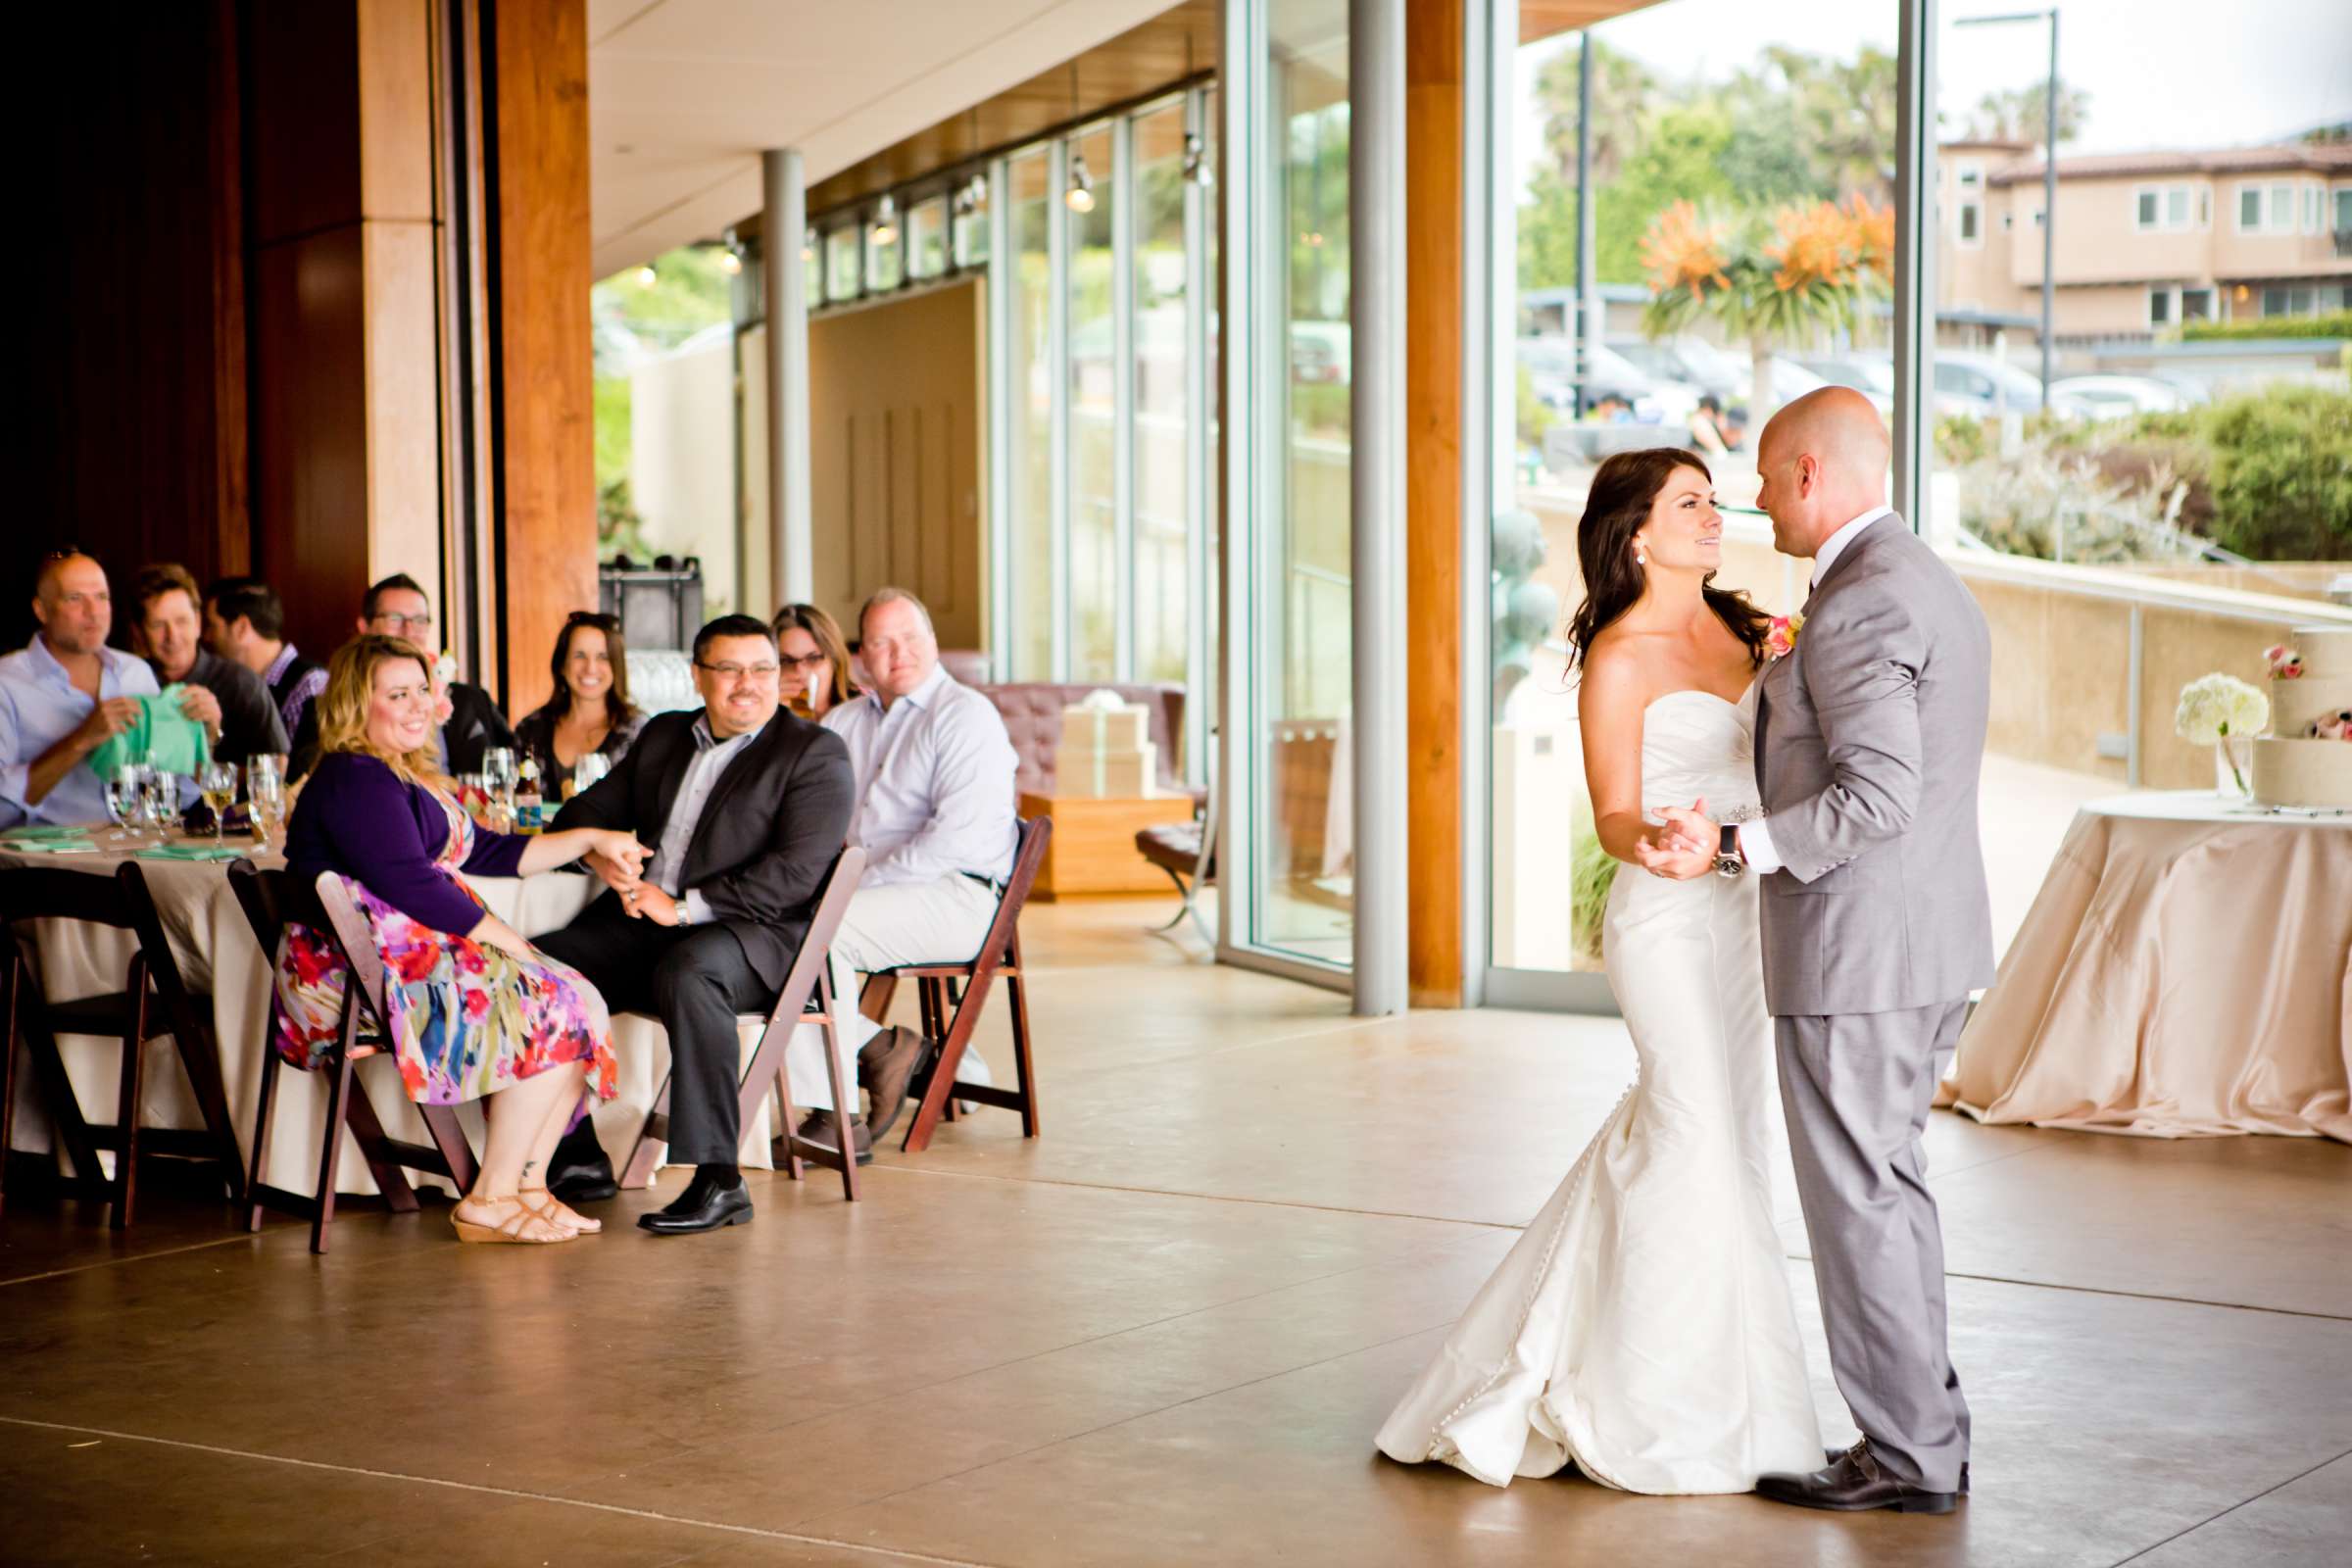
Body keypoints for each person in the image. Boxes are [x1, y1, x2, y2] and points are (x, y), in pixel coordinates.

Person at [1375, 449, 1822, 1494]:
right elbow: (1616, 813)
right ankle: (1639, 1403)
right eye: (1692, 504)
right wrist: (1661, 845)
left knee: (1732, 1141)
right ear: (1638, 536)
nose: (1716, 517)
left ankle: (1747, 1402)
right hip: (1665, 919)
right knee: (1688, 1126)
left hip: (1748, 911)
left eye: (1715, 501)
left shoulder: (1755, 630)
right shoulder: (1618, 657)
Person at [1640, 387, 1990, 1515]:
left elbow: (1878, 794)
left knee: (1859, 1203)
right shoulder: (1921, 577)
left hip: (1858, 956)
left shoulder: (1859, 604)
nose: (1751, 497)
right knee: (1887, 1190)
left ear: (1806, 476)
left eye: (1760, 474)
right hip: (1917, 947)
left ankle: (1906, 1456)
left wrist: (1742, 843)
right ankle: (1925, 1434)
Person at [275, 635, 648, 1245]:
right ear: (354, 705)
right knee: (552, 1004)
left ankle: (529, 1187)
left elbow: (494, 850)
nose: (418, 705)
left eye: (423, 689)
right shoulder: (355, 777)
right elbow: (408, 880)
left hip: (398, 960)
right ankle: (491, 1196)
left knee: (579, 997)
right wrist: (509, 941)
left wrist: (588, 840)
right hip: (357, 976)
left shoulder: (398, 775)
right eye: (398, 694)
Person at [533, 613, 857, 1235]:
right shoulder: (665, 736)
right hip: (646, 927)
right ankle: (576, 1153)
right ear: (697, 676)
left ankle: (720, 1180)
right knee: (543, 964)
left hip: (757, 938)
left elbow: (795, 875)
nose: (749, 684)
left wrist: (681, 907)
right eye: (730, 669)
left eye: (763, 669)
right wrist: (600, 851)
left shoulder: (813, 753)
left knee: (691, 971)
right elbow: (579, 812)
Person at [795, 586, 1020, 1164]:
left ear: (933, 643)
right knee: (770, 929)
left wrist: (850, 887)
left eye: (909, 638)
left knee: (820, 934)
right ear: (862, 656)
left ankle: (835, 1112)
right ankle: (882, 1049)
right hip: (877, 897)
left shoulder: (965, 716)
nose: (898, 653)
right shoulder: (845, 722)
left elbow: (956, 840)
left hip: (959, 897)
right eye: (880, 642)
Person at [289, 574, 516, 778]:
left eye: (419, 621)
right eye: (395, 619)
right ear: (364, 626)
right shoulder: (328, 708)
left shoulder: (472, 699)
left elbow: (516, 769)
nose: (409, 631)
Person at [0, 551, 164, 829]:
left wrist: (202, 739)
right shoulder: (6, 682)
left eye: (102, 597)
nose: (94, 612)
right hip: (46, 866)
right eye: (75, 599)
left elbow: (173, 795)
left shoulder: (135, 673)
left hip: (138, 854)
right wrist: (81, 740)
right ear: (41, 610)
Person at [133, 564, 288, 767]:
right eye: (158, 625)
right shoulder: (130, 683)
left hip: (231, 800)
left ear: (198, 623)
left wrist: (214, 738)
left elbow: (276, 763)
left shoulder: (241, 683)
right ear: (138, 632)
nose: (172, 636)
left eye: (181, 621)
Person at [512, 611, 645, 796]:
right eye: (579, 655)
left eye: (602, 657)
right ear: (561, 665)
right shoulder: (530, 730)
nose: (590, 668)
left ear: (617, 666)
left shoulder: (639, 732)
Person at [204, 575, 326, 745]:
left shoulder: (311, 685)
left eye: (212, 625)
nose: (206, 637)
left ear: (242, 628)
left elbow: (307, 767)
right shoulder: (228, 685)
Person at [771, 602, 860, 720]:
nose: (800, 671)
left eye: (813, 658)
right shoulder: (765, 721)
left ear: (835, 662)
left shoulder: (862, 715)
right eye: (787, 661)